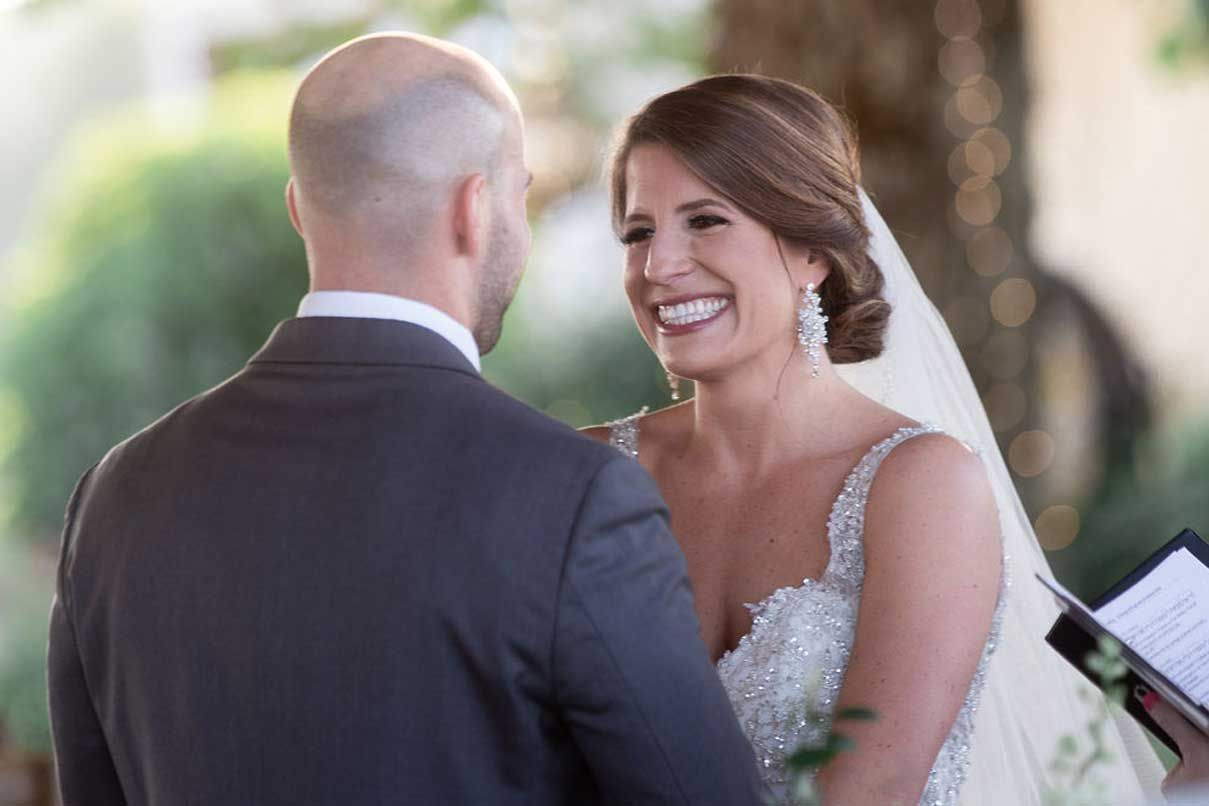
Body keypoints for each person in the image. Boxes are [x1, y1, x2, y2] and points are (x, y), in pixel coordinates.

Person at [46, 33, 765, 806]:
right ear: (474, 208)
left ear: (297, 209)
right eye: (520, 194)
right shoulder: (573, 498)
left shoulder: (113, 496)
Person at [586, 74, 1166, 804]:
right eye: (637, 232)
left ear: (811, 252)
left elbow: (871, 791)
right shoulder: (582, 474)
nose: (656, 267)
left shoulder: (919, 486)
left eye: (704, 220)